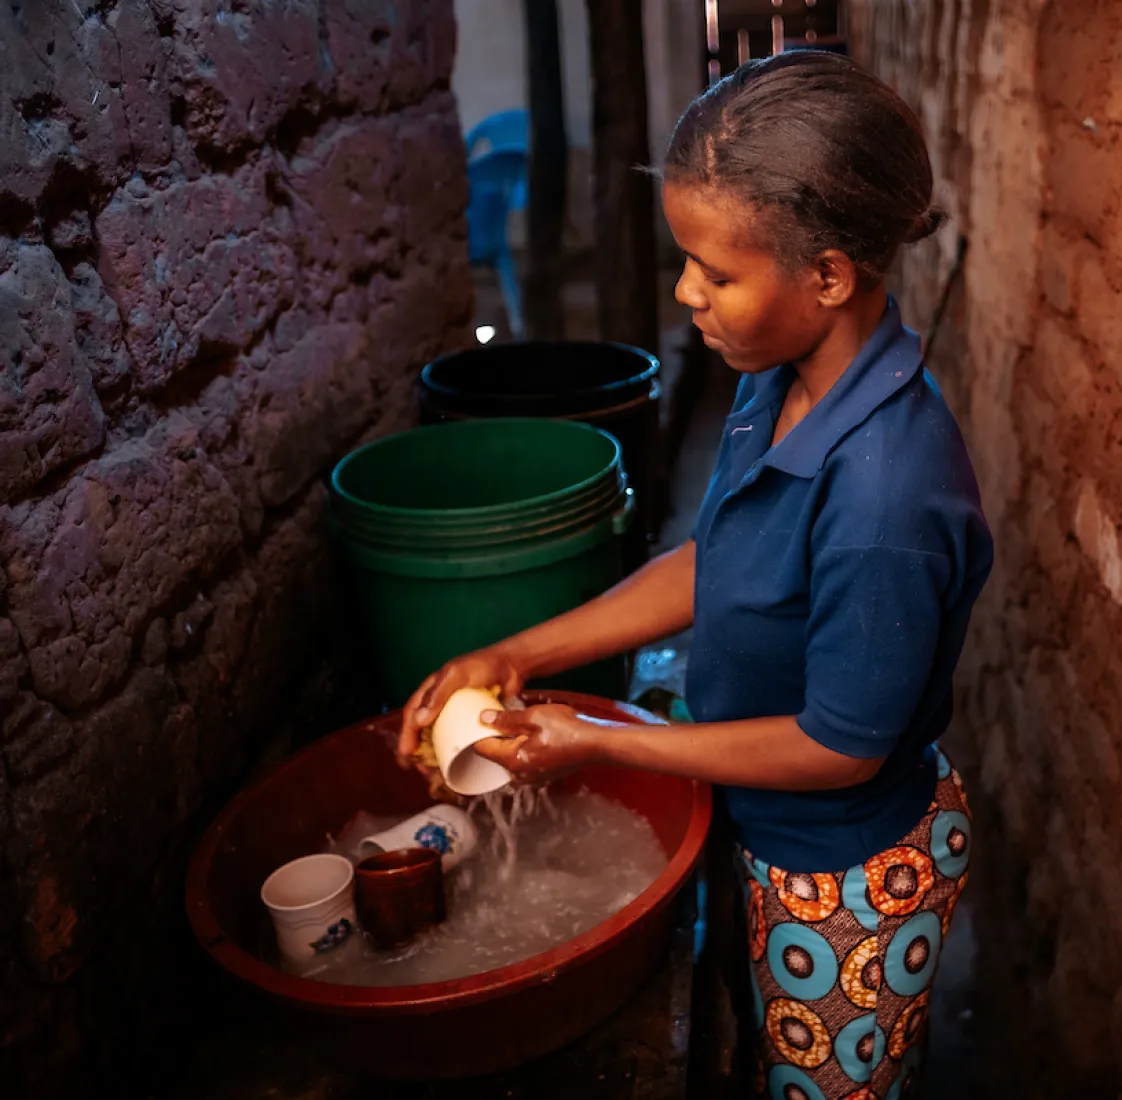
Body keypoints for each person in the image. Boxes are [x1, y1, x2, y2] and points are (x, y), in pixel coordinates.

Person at [397, 50, 992, 1099]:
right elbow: (721, 559)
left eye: (716, 273)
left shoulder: (888, 497)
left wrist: (603, 735)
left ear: (828, 275)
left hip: (841, 875)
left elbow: (839, 747)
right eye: (688, 262)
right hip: (754, 824)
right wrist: (520, 649)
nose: (688, 293)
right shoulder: (780, 373)